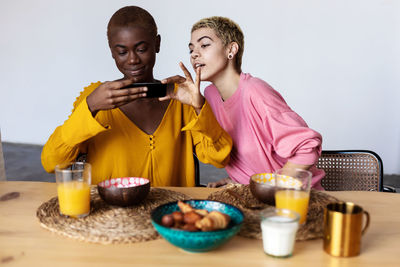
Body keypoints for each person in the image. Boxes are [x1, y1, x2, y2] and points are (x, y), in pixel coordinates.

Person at [41, 7, 232, 187]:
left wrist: (199, 107)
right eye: (122, 51)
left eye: (141, 49)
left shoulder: (181, 99)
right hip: (110, 216)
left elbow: (219, 158)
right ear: (112, 51)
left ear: (157, 44)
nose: (133, 59)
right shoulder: (93, 99)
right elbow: (51, 162)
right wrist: (90, 107)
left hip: (170, 217)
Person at [184, 16, 324, 189]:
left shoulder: (255, 91)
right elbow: (221, 155)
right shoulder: (210, 95)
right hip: (251, 197)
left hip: (291, 200)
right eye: (191, 49)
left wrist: (268, 186)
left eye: (204, 45)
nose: (194, 54)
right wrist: (239, 181)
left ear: (231, 49)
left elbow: (307, 147)